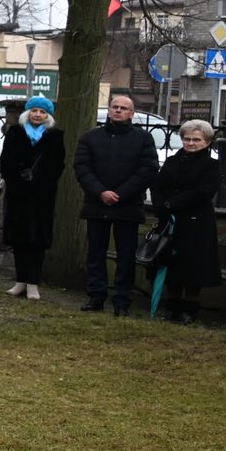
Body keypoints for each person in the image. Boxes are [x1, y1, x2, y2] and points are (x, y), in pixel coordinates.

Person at [73, 93, 159, 316]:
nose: (118, 110)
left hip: (128, 206)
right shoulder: (90, 137)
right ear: (109, 110)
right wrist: (101, 192)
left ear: (132, 113)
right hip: (97, 203)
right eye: (115, 106)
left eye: (124, 108)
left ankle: (122, 301)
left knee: (126, 256)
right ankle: (95, 297)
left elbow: (148, 170)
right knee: (96, 254)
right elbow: (82, 167)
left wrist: (120, 194)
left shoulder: (143, 139)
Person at [151, 121, 221, 324]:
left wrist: (172, 203)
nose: (191, 143)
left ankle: (189, 309)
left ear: (207, 142)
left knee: (193, 266)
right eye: (187, 139)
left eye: (196, 140)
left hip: (196, 222)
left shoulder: (211, 165)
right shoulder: (172, 161)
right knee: (170, 263)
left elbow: (203, 192)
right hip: (170, 220)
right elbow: (158, 184)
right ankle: (171, 306)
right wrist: (160, 206)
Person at [0, 96, 65, 299]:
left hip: (42, 196)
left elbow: (56, 166)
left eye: (43, 112)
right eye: (34, 110)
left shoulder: (55, 137)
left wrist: (38, 182)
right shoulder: (15, 133)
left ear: (48, 116)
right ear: (28, 113)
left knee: (37, 241)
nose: (38, 115)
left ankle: (33, 283)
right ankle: (20, 281)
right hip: (18, 194)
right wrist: (18, 180)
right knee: (19, 239)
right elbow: (6, 162)